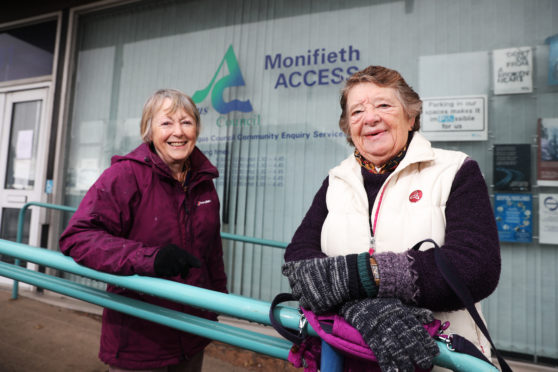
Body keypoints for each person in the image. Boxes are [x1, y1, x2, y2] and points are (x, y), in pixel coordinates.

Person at [282, 66, 501, 372]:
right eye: (357, 111)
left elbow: (475, 268)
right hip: (347, 356)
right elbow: (299, 261)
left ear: (411, 117)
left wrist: (360, 277)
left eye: (383, 105)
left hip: (442, 361)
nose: (370, 117)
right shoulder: (336, 180)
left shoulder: (456, 170)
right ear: (348, 127)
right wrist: (361, 305)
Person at [59, 89, 227, 371]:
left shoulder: (203, 182)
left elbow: (212, 250)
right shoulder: (125, 175)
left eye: (186, 122)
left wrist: (217, 304)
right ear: (148, 130)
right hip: (140, 339)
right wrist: (150, 258)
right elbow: (79, 237)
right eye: (166, 123)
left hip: (193, 334)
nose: (179, 132)